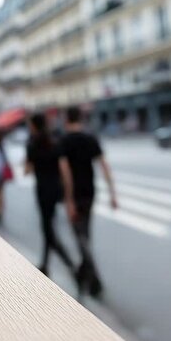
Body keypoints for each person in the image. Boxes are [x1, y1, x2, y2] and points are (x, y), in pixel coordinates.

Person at [59, 107, 117, 297]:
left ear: (67, 120)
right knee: (85, 235)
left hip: (75, 195)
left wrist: (69, 201)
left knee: (81, 238)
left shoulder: (65, 142)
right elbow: (104, 166)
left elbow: (66, 174)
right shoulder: (90, 139)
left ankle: (94, 281)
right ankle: (84, 276)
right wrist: (112, 193)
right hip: (90, 193)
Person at [25, 114, 75, 277]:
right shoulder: (54, 141)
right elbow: (64, 170)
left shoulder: (32, 144)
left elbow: (27, 170)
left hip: (42, 191)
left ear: (33, 125)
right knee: (48, 228)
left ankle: (72, 267)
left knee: (48, 231)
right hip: (55, 190)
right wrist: (68, 195)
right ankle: (45, 265)